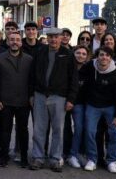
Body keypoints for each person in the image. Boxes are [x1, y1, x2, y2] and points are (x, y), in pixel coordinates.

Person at [29, 28, 79, 172]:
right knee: (39, 128)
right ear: (47, 38)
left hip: (59, 97)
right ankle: (38, 157)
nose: (53, 40)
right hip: (39, 95)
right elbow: (32, 75)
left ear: (61, 38)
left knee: (58, 129)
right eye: (50, 37)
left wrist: (71, 99)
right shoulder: (40, 52)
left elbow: (73, 79)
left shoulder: (68, 54)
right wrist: (31, 95)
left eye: (56, 37)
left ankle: (55, 159)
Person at [0, 31, 33, 168]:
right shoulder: (0, 58)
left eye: (17, 40)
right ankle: (4, 156)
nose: (15, 42)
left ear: (21, 42)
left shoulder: (29, 59)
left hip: (23, 102)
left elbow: (32, 81)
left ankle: (24, 157)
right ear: (8, 42)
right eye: (12, 39)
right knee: (4, 131)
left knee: (23, 131)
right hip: (5, 102)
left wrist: (31, 97)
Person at [82, 47, 116, 173]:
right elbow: (79, 75)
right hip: (92, 105)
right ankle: (92, 159)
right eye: (101, 55)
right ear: (97, 56)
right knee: (90, 132)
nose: (104, 57)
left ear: (111, 58)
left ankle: (112, 161)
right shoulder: (90, 67)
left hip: (110, 106)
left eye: (107, 55)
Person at [67, 45, 91, 169]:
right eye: (78, 53)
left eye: (83, 54)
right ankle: (69, 154)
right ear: (73, 53)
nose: (80, 55)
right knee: (66, 129)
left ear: (87, 57)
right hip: (67, 102)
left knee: (81, 128)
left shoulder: (88, 70)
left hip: (81, 104)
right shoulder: (67, 67)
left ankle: (76, 154)